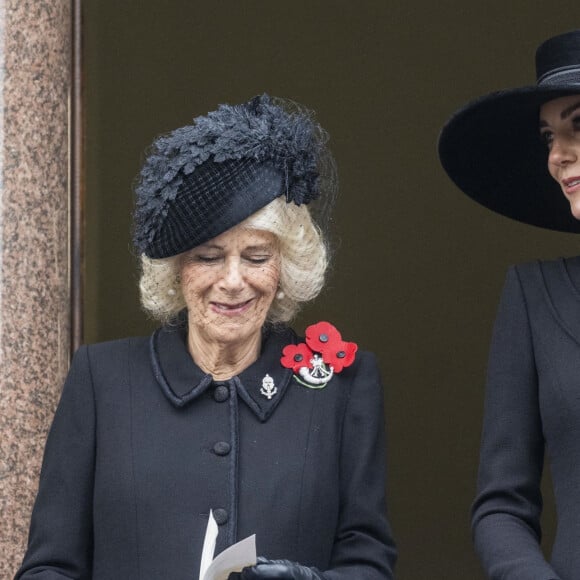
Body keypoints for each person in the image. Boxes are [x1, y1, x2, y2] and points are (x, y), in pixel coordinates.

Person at [15, 94, 397, 579]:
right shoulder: (102, 381)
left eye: (256, 257)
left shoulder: (344, 386)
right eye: (208, 257)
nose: (233, 281)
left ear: (286, 268)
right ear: (176, 272)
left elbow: (369, 564)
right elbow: (49, 568)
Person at [439, 30, 580, 580]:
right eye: (548, 137)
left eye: (578, 126)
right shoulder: (534, 296)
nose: (557, 155)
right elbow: (502, 508)